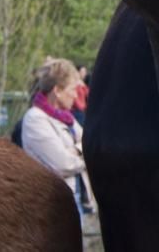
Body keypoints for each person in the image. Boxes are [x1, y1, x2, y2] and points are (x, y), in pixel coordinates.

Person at [21, 58, 93, 220]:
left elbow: (90, 143)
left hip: (74, 199)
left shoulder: (67, 118)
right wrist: (82, 150)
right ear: (57, 91)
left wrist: (76, 150)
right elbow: (63, 164)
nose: (76, 96)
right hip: (52, 206)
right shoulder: (35, 119)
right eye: (73, 89)